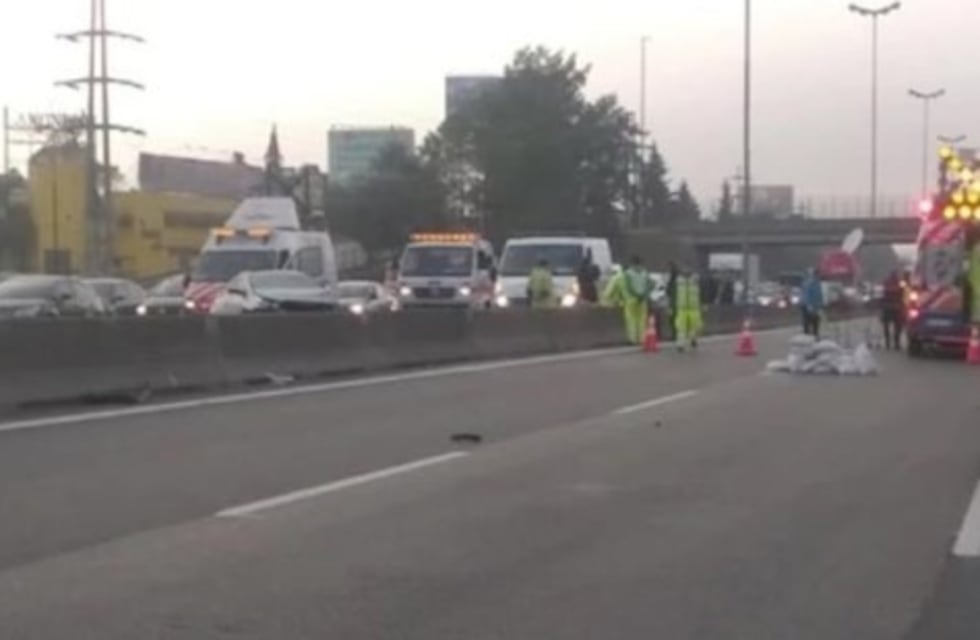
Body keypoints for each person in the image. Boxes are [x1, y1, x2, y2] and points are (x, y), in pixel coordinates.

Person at [603, 256, 653, 344]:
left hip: (631, 300)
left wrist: (635, 295)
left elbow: (629, 287)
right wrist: (644, 294)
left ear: (632, 263)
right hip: (643, 300)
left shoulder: (627, 274)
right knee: (642, 320)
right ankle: (642, 339)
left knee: (631, 320)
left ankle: (633, 339)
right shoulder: (645, 273)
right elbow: (651, 284)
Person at [674, 268, 704, 351]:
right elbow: (673, 292)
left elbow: (703, 292)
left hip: (694, 307)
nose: (686, 273)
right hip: (682, 308)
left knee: (695, 326)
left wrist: (703, 303)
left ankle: (693, 339)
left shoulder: (696, 280)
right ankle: (680, 344)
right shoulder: (678, 281)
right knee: (681, 327)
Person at [880, 270, 905, 350]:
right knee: (898, 326)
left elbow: (883, 294)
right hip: (896, 307)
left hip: (887, 307)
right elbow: (902, 294)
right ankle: (896, 343)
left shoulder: (887, 282)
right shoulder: (900, 283)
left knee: (886, 325)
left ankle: (888, 343)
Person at [800, 268, 824, 338]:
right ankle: (806, 336)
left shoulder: (818, 283)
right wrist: (809, 306)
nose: (819, 276)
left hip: (815, 306)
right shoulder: (809, 283)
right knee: (807, 321)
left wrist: (820, 305)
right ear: (815, 275)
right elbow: (807, 295)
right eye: (818, 275)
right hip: (807, 305)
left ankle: (815, 335)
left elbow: (819, 295)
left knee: (816, 321)